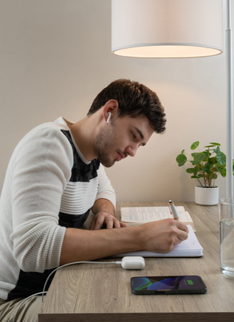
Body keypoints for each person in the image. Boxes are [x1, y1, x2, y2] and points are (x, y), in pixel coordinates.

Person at [0, 79, 189, 322]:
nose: (133, 151)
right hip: (17, 301)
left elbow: (105, 190)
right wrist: (140, 236)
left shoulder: (91, 157)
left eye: (140, 144)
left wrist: (105, 211)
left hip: (57, 285)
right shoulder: (50, 143)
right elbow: (33, 246)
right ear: (109, 112)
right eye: (133, 135)